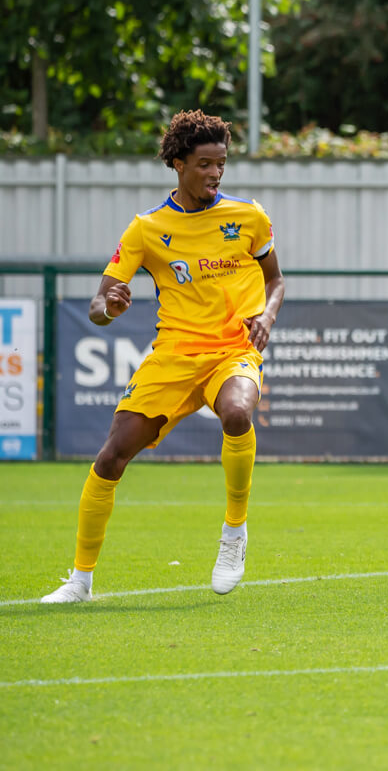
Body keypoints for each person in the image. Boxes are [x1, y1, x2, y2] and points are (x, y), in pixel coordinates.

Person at [41, 109, 285, 603]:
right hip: (173, 355)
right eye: (204, 164)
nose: (215, 174)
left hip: (230, 350)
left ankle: (234, 533)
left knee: (237, 412)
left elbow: (275, 279)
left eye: (221, 164)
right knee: (112, 457)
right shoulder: (147, 229)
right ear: (177, 163)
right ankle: (80, 580)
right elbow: (98, 303)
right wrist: (109, 309)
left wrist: (268, 316)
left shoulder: (250, 217)